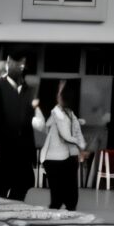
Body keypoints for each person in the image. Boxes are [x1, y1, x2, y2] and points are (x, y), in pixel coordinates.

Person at [0, 53, 36, 201]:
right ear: (8, 63)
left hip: (23, 153)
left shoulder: (29, 91)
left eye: (22, 64)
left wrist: (32, 155)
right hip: (2, 151)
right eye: (16, 63)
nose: (20, 67)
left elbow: (29, 124)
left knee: (20, 190)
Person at [37, 80, 85, 211]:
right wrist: (80, 145)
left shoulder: (69, 113)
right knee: (59, 199)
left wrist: (81, 146)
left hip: (65, 157)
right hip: (55, 158)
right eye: (59, 91)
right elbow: (65, 135)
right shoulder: (57, 113)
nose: (59, 95)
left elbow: (74, 132)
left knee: (67, 199)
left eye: (61, 92)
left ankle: (64, 207)